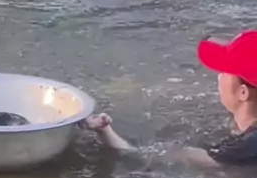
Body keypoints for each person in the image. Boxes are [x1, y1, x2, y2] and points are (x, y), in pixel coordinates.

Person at [84, 31, 257, 168]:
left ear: (243, 93)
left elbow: (139, 157)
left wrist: (104, 130)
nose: (218, 77)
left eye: (225, 72)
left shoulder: (243, 149)